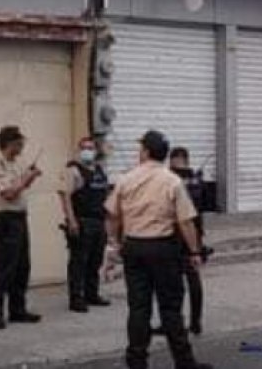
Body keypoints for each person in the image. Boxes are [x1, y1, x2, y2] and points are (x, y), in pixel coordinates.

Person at [106, 130, 212, 369]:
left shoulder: (126, 179)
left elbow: (112, 215)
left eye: (141, 148)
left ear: (146, 152)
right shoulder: (172, 180)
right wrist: (194, 252)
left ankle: (137, 361)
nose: (138, 152)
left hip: (133, 247)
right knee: (170, 308)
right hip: (163, 249)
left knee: (138, 308)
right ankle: (184, 362)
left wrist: (114, 243)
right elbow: (185, 221)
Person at [0, 125, 42, 329]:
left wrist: (28, 176)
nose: (22, 148)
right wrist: (28, 178)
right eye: (19, 144)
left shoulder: (17, 163)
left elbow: (20, 187)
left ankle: (18, 309)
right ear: (9, 144)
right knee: (3, 267)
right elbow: (8, 193)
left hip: (19, 217)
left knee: (21, 266)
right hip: (4, 219)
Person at [58, 136, 111, 313]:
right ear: (79, 150)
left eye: (91, 147)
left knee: (95, 260)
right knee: (79, 262)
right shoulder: (73, 170)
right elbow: (65, 196)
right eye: (84, 148)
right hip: (82, 220)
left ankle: (92, 294)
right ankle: (76, 298)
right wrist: (71, 220)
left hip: (99, 221)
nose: (88, 151)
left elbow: (105, 196)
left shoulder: (99, 170)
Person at [169, 147, 207, 335]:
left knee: (174, 283)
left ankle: (178, 322)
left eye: (172, 160)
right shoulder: (196, 179)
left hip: (176, 237)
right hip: (194, 236)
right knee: (191, 281)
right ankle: (194, 321)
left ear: (176, 160)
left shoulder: (172, 180)